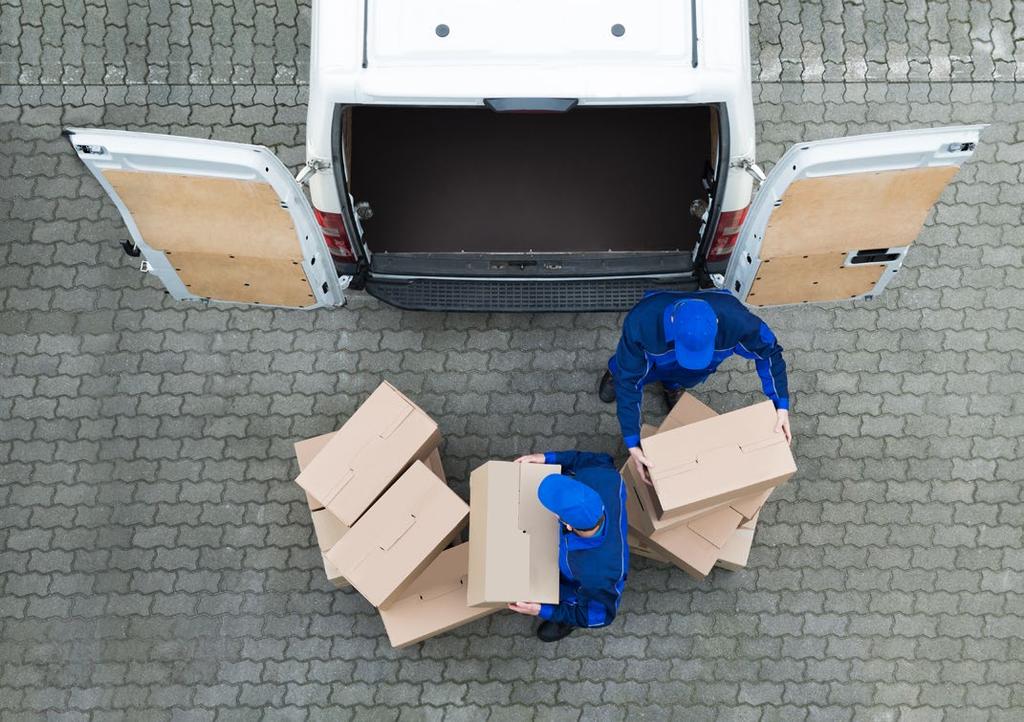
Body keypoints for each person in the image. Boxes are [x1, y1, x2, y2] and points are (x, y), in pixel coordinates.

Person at [599, 290, 791, 483]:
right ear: (672, 321)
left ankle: (672, 385)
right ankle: (613, 375)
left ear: (716, 323)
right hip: (652, 358)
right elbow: (630, 381)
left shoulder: (738, 321)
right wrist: (632, 439)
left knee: (686, 376)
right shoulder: (642, 323)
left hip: (695, 371)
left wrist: (780, 403)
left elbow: (769, 353)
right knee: (625, 369)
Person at [507, 450, 628, 643]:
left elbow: (600, 617)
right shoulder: (603, 475)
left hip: (580, 585)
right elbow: (594, 458)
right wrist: (546, 458)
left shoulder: (598, 575)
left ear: (567, 525)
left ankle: (565, 619)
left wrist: (541, 610)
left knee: (567, 598)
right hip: (573, 556)